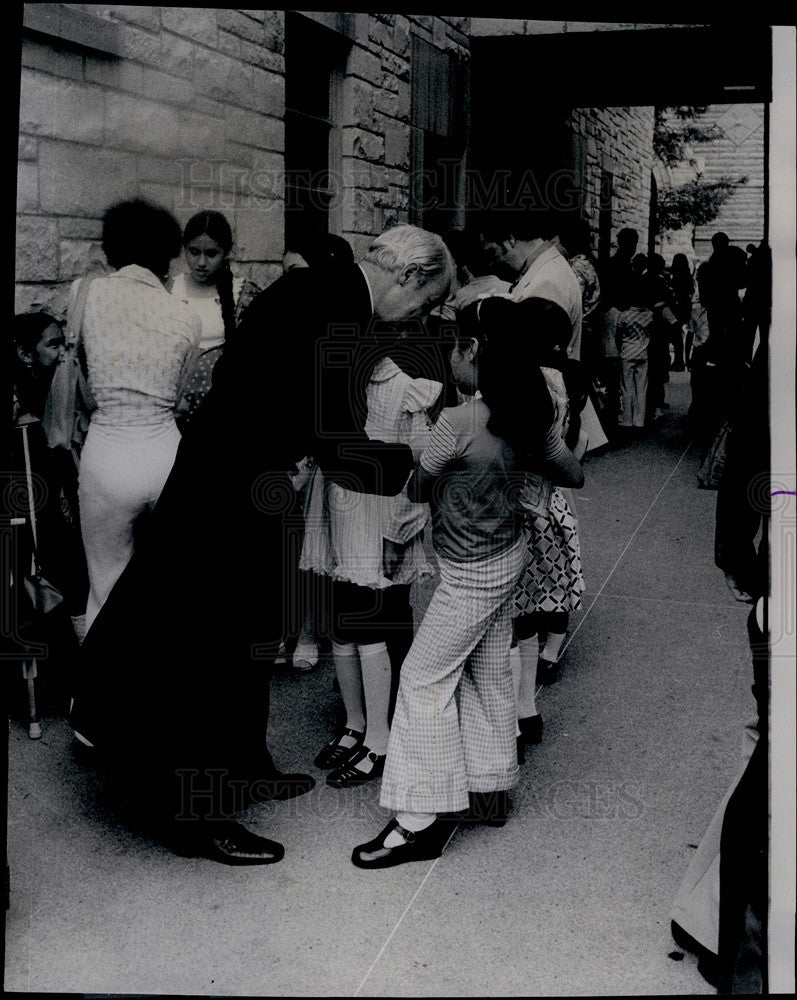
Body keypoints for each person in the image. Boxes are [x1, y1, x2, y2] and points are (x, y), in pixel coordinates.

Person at [69, 224, 454, 865]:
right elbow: (335, 439)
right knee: (209, 652)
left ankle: (244, 768)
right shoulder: (335, 306)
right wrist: (423, 464)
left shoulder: (323, 292)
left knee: (247, 639)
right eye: (426, 301)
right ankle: (197, 817)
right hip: (230, 492)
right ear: (409, 275)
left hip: (239, 481)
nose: (421, 317)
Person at [351, 296, 585, 869]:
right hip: (508, 557)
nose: (448, 352)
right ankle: (487, 789)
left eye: (453, 342)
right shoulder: (531, 415)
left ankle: (418, 821)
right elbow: (572, 472)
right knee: (485, 669)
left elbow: (416, 486)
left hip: (469, 571)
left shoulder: (456, 422)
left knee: (423, 678)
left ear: (473, 350)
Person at [303, 337, 441, 788]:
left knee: (371, 626)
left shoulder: (404, 391)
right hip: (340, 513)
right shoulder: (337, 385)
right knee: (342, 624)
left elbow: (419, 470)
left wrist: (398, 533)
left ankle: (379, 739)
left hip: (379, 516)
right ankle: (354, 722)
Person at [76, 199, 202, 631]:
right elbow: (181, 393)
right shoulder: (187, 317)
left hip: (108, 452)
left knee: (104, 588)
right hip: (167, 455)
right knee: (172, 588)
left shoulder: (87, 293)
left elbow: (82, 374)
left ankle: (98, 695)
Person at [509, 298, 586, 706]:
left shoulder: (525, 377)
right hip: (553, 492)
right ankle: (551, 648)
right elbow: (577, 441)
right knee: (555, 578)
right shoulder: (566, 376)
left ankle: (539, 649)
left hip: (525, 490)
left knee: (527, 583)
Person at [169, 210, 259, 430]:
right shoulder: (170, 289)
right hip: (175, 407)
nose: (201, 262)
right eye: (194, 252)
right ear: (184, 249)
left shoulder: (244, 294)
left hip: (225, 410)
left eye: (211, 254)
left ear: (226, 252)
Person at [477, 210, 583, 361]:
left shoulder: (548, 281)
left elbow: (532, 354)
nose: (493, 263)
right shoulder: (542, 270)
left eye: (493, 253)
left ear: (509, 239)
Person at [615, 282, 655, 432]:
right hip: (643, 353)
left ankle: (626, 419)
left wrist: (622, 348)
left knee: (626, 387)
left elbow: (618, 335)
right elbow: (652, 333)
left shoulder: (625, 315)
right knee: (641, 387)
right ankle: (639, 420)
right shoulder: (649, 315)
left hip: (627, 352)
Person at [669, 253, 693, 372]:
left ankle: (679, 361)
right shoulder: (688, 275)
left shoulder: (674, 276)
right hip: (686, 304)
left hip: (677, 305)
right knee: (688, 332)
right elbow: (691, 290)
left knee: (677, 334)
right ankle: (686, 360)